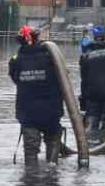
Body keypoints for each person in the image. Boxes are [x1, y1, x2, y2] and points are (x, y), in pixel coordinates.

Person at [9, 25, 64, 165]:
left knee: (30, 148)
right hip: (51, 110)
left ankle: (31, 177)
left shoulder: (15, 60)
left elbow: (16, 79)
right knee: (52, 141)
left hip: (28, 113)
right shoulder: (51, 56)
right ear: (35, 38)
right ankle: (52, 171)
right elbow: (64, 79)